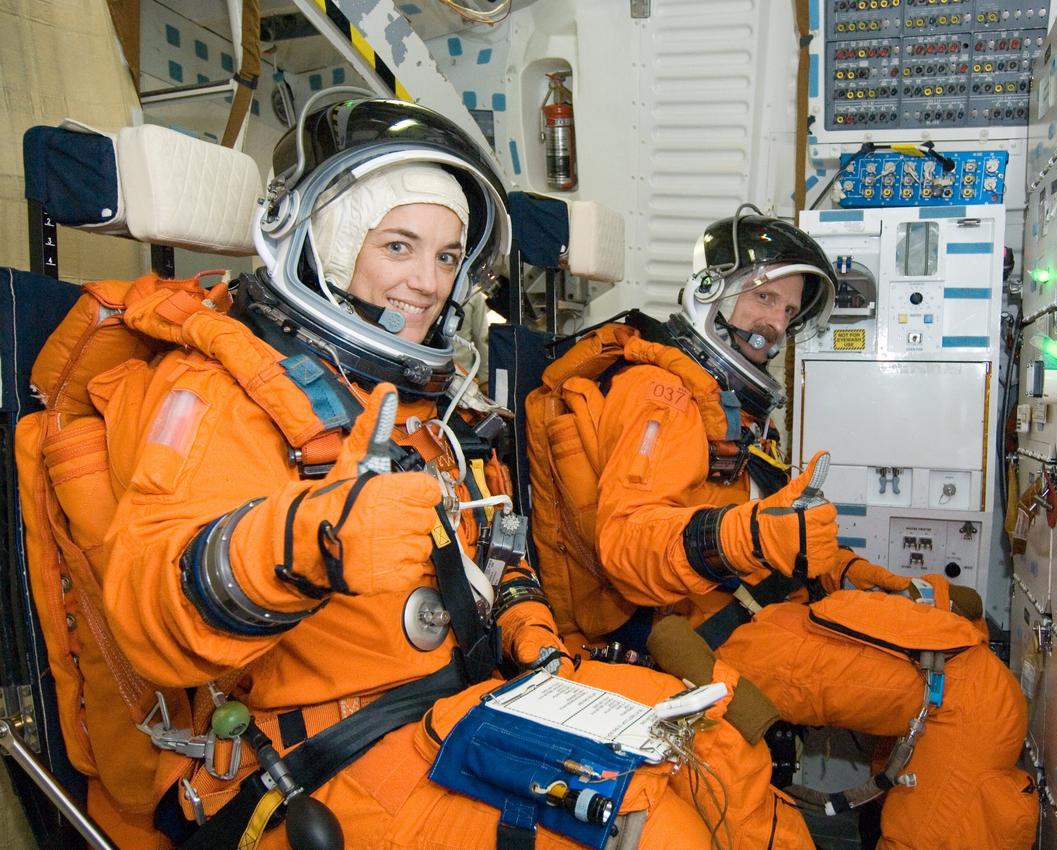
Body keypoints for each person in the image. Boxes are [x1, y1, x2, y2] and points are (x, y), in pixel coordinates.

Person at [28, 99, 813, 850]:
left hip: (462, 701)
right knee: (659, 830)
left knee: (720, 751)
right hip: (319, 761)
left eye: (445, 257)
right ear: (329, 243)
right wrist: (315, 540)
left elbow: (487, 559)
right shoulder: (212, 388)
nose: (428, 281)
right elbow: (151, 610)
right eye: (397, 246)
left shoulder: (416, 406)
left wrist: (528, 629)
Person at [525, 208, 1038, 849]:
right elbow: (628, 545)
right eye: (764, 296)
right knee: (973, 696)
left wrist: (857, 576)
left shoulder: (723, 404)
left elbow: (772, 525)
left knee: (961, 648)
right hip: (701, 636)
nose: (775, 323)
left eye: (787, 311)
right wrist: (755, 537)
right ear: (710, 290)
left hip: (753, 611)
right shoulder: (665, 397)